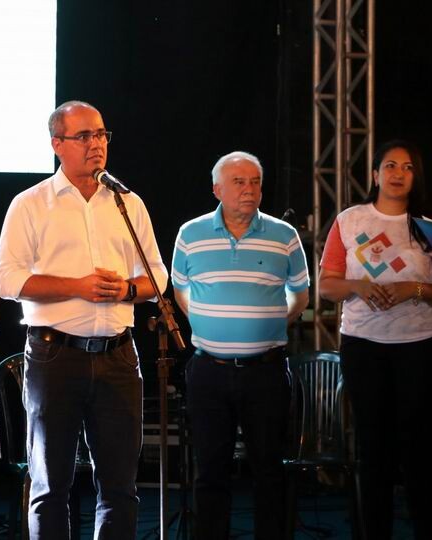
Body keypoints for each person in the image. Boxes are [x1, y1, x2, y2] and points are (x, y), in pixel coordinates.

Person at [0, 100, 168, 539]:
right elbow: (8, 280)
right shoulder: (31, 204)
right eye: (84, 136)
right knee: (51, 485)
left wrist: (126, 290)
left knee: (120, 487)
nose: (97, 144)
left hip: (118, 356)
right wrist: (77, 286)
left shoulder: (128, 203)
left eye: (102, 134)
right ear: (57, 144)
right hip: (56, 356)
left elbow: (157, 277)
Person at [319, 140, 432, 539]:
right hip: (363, 347)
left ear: (416, 177)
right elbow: (327, 285)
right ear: (375, 174)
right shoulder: (349, 220)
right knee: (372, 449)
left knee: (417, 448)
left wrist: (413, 290)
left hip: (421, 347)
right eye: (390, 166)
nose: (398, 173)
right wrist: (359, 286)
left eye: (408, 167)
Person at [171, 151, 309, 539]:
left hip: (266, 372)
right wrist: (206, 322)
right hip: (208, 371)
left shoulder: (284, 235)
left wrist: (271, 324)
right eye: (239, 182)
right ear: (217, 189)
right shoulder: (190, 234)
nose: (249, 189)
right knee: (210, 471)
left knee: (269, 470)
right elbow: (180, 289)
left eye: (255, 182)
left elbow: (301, 294)